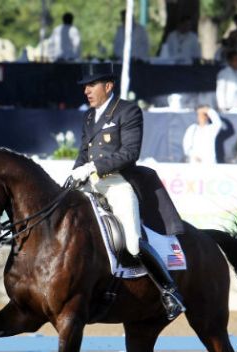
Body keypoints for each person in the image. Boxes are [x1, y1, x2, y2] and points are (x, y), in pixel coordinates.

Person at [69, 62, 186, 320]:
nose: (86, 90)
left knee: (132, 241)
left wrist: (91, 167)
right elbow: (82, 153)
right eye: (85, 86)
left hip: (116, 181)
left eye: (92, 85)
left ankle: (169, 291)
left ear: (108, 86)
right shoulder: (89, 117)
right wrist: (75, 172)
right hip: (89, 182)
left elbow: (130, 153)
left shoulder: (128, 111)